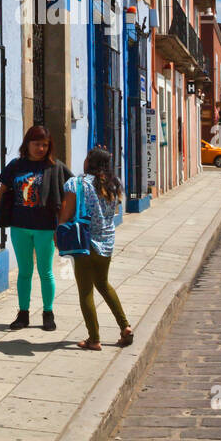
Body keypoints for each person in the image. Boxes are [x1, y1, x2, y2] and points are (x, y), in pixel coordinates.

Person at [0, 126, 72, 331]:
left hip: (45, 228)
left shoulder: (55, 167)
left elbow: (68, 196)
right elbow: (1, 192)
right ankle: (23, 313)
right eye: (37, 144)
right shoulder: (16, 165)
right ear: (27, 144)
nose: (41, 148)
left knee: (46, 271)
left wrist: (60, 225)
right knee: (24, 272)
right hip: (20, 227)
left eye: (45, 145)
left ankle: (48, 313)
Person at [60, 147, 131, 351]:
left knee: (85, 292)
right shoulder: (113, 185)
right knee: (103, 284)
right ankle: (125, 326)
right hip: (106, 242)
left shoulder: (77, 183)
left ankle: (94, 338)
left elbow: (67, 211)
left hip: (84, 242)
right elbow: (113, 212)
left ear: (89, 163)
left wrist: (59, 230)